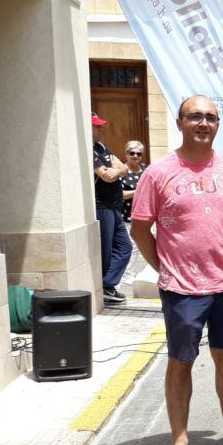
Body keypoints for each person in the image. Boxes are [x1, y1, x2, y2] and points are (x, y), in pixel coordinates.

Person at [131, 95, 223, 445]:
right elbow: (140, 230)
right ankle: (180, 440)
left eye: (210, 117)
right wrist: (165, 266)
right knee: (180, 361)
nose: (203, 123)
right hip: (181, 288)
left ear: (218, 124)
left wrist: (219, 253)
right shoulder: (158, 173)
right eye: (195, 117)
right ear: (180, 122)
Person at [91, 112, 132, 305]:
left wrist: (116, 171)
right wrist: (117, 171)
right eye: (96, 126)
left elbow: (124, 168)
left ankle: (107, 283)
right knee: (107, 250)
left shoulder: (101, 147)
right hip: (102, 206)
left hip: (115, 207)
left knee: (125, 247)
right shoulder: (90, 151)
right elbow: (105, 175)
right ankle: (106, 287)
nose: (100, 129)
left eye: (100, 125)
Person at [120, 141, 148, 223]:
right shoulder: (121, 170)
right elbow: (120, 194)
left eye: (139, 154)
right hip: (127, 214)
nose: (135, 156)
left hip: (145, 215)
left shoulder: (146, 169)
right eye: (132, 153)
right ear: (126, 154)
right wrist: (139, 191)